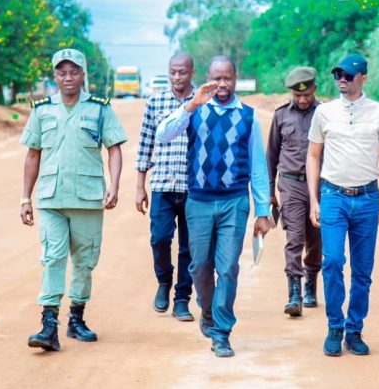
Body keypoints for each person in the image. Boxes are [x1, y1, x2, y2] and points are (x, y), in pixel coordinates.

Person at [156, 55, 271, 358]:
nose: (222, 84)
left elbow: (258, 167)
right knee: (200, 266)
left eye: (227, 78)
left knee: (229, 267)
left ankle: (221, 331)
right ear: (207, 78)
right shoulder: (195, 110)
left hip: (235, 202)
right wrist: (191, 105)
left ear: (235, 79)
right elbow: (163, 134)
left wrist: (263, 211)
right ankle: (207, 310)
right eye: (216, 78)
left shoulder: (248, 116)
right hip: (199, 202)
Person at [20, 48, 127, 351]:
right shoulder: (42, 110)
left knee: (84, 261)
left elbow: (114, 149)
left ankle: (76, 319)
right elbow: (32, 155)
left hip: (88, 198)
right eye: (62, 72)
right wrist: (25, 198)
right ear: (55, 76)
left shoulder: (100, 110)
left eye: (74, 72)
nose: (68, 77)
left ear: (82, 74)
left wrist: (114, 185)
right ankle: (48, 325)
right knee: (52, 257)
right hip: (51, 199)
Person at [306, 54, 379, 357]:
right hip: (334, 196)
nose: (342, 80)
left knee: (362, 269)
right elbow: (313, 156)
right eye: (338, 75)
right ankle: (335, 326)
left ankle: (354, 329)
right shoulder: (324, 112)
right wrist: (314, 199)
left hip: (368, 198)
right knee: (332, 261)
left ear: (363, 78)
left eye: (348, 75)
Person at [134, 52, 214, 326]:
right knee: (159, 238)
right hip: (162, 185)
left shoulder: (205, 102)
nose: (177, 77)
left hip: (194, 187)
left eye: (183, 72)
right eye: (173, 72)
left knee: (189, 247)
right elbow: (145, 144)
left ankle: (182, 299)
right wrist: (140, 187)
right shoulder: (155, 102)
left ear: (193, 73)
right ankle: (164, 280)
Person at [266, 67, 322, 317]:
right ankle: (294, 293)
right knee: (294, 239)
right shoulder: (281, 115)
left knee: (316, 239)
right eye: (297, 95)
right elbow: (271, 155)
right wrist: (270, 192)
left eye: (306, 94)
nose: (302, 99)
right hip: (290, 185)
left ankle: (311, 283)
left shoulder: (325, 114)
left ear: (314, 89)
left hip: (319, 186)